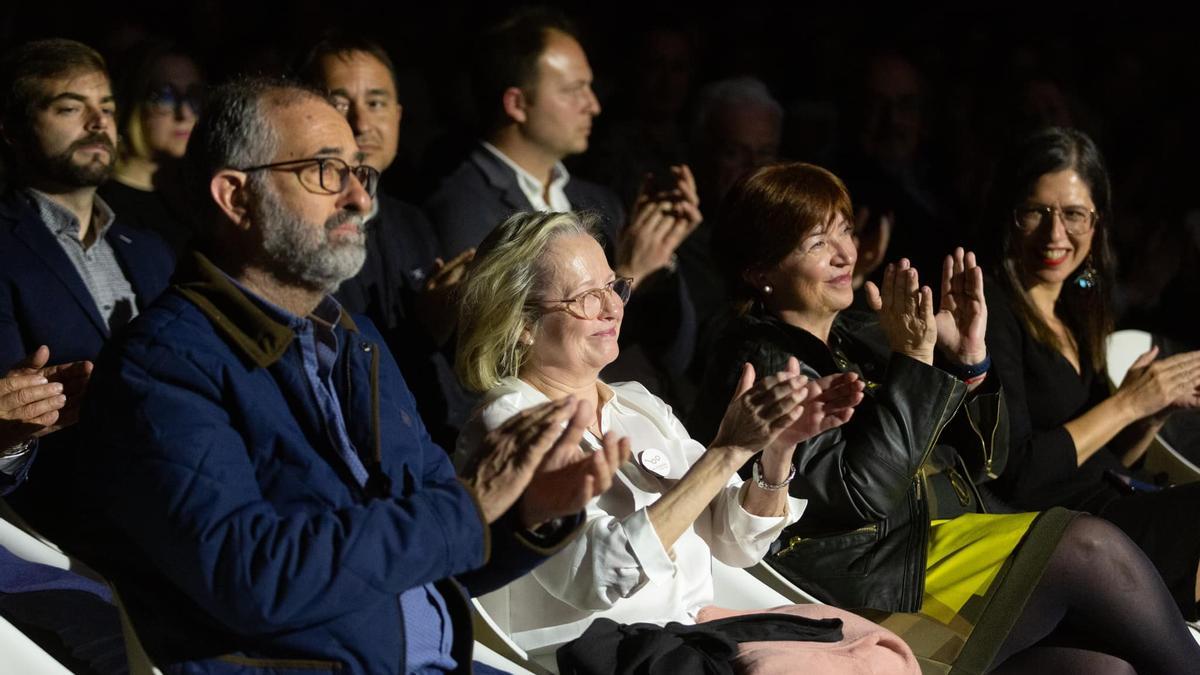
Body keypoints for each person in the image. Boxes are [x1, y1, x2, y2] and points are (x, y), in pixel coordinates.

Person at [66, 77, 629, 675]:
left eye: (361, 174)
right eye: (326, 171)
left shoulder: (356, 341)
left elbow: (438, 549)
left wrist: (525, 516)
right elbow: (253, 579)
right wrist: (472, 507)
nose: (359, 199)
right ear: (236, 196)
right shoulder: (162, 365)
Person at [692, 161, 1200, 673]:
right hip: (882, 584)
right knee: (1085, 543)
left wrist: (968, 363)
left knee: (1105, 670)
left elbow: (993, 464)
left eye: (844, 230)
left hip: (950, 541)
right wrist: (913, 363)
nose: (846, 253)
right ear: (760, 272)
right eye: (816, 243)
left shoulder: (859, 331)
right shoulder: (759, 362)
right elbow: (860, 494)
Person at [453, 210, 924, 673]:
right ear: (521, 323)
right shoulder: (507, 425)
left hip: (703, 642)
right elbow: (594, 574)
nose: (614, 308)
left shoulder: (636, 404)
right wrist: (725, 453)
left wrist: (777, 450)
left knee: (879, 655)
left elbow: (737, 544)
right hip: (605, 659)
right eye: (585, 297)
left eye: (613, 288)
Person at [425, 8, 701, 403]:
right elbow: (488, 358)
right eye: (574, 89)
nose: (593, 105)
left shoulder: (597, 200)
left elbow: (676, 356)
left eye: (590, 88)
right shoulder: (463, 208)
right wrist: (629, 275)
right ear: (517, 103)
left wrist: (660, 267)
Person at [983, 126, 1200, 620]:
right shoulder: (992, 307)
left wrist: (1151, 414)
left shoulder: (1079, 309)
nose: (1055, 235)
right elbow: (1019, 473)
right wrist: (1127, 403)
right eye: (1037, 211)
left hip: (1114, 503)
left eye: (1074, 215)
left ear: (1097, 222)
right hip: (1062, 532)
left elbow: (1102, 456)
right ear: (1009, 215)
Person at [0, 38, 174, 538]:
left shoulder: (149, 249)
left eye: (108, 109)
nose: (98, 123)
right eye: (71, 108)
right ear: (12, 129)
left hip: (173, 514)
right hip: (61, 535)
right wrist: (12, 439)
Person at [298, 35, 474, 448]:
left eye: (375, 103)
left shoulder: (411, 218)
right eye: (339, 103)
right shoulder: (302, 229)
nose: (361, 123)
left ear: (398, 115)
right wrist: (424, 329)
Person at [98, 39, 203, 254]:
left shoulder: (197, 193)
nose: (185, 113)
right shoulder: (103, 206)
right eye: (165, 96)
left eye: (193, 96)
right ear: (132, 101)